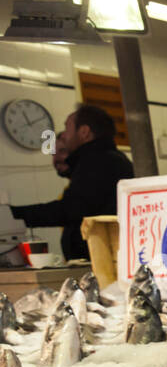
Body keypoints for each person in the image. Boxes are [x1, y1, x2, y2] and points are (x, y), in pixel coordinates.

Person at [10, 106, 132, 261]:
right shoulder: (106, 159)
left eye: (67, 128)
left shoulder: (98, 161)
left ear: (84, 132)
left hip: (104, 262)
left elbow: (71, 209)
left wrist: (12, 215)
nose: (65, 136)